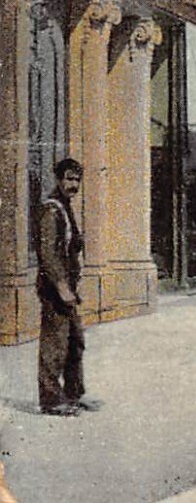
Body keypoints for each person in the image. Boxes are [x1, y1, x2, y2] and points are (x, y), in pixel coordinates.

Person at [38, 157, 93, 416]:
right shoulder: (51, 210)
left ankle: (73, 394)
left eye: (77, 179)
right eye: (69, 178)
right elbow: (47, 254)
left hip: (69, 288)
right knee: (55, 344)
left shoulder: (65, 207)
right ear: (59, 179)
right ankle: (51, 400)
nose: (74, 184)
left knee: (75, 342)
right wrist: (61, 286)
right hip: (55, 289)